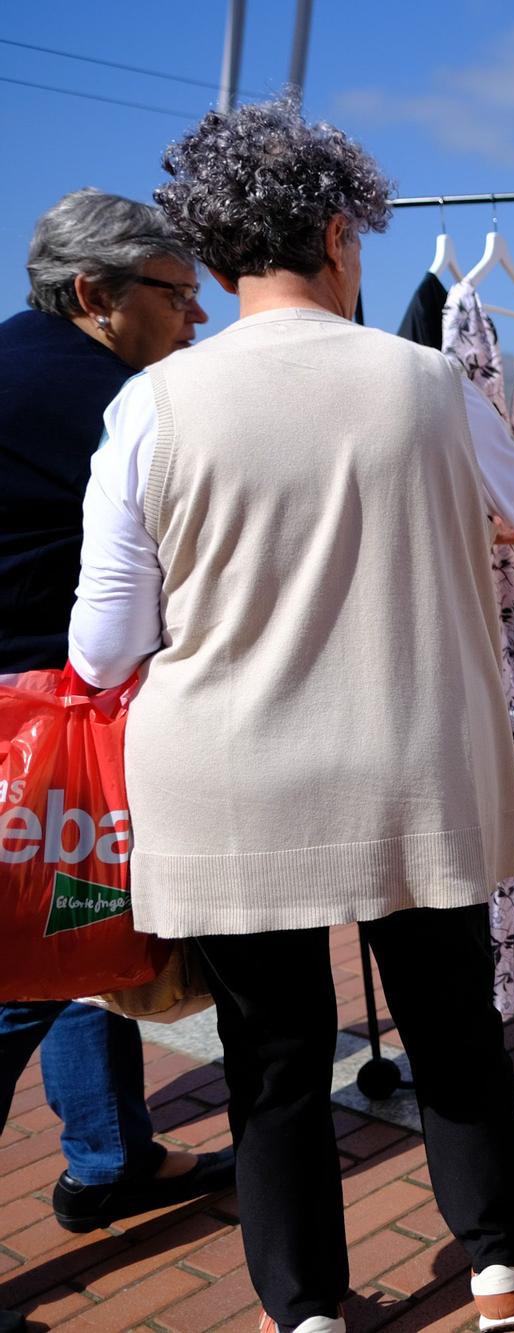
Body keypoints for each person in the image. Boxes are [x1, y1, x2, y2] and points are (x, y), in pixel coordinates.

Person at [69, 101, 514, 1333]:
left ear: (213, 260)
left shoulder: (151, 406)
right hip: (409, 758)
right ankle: (494, 1263)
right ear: (335, 232)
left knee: (272, 1060)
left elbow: (102, 646)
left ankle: (307, 1308)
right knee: (449, 1022)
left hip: (225, 773)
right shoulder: (426, 380)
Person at [0, 190, 235, 1331]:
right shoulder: (106, 398)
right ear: (96, 294)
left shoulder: (14, 361)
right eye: (174, 292)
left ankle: (110, 1155)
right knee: (15, 980)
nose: (195, 317)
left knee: (78, 942)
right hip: (46, 728)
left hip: (40, 720)